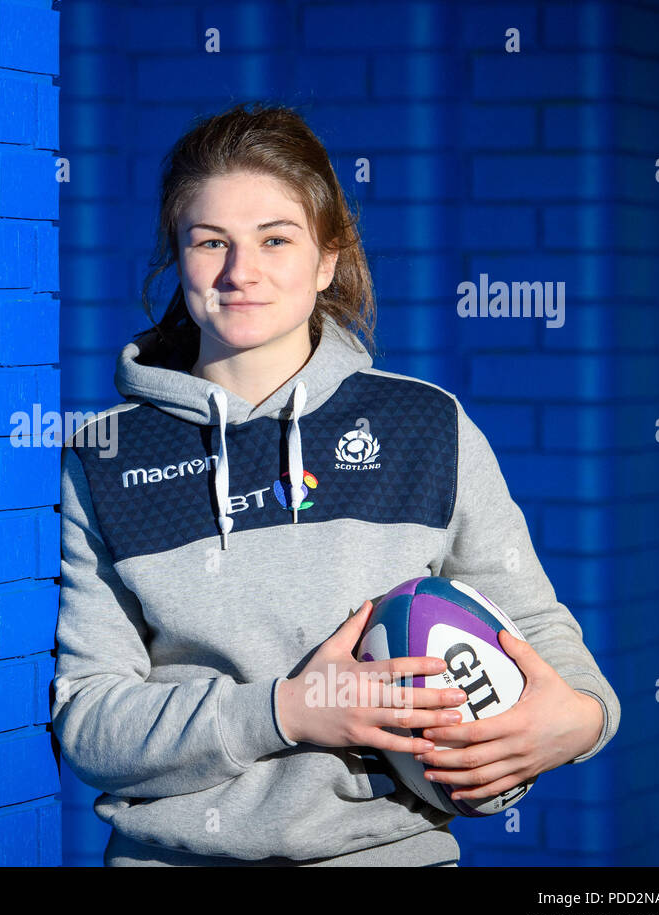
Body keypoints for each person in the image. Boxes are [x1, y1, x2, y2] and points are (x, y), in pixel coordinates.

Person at [50, 102, 620, 867]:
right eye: (209, 241)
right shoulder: (108, 455)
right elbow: (89, 724)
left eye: (274, 240)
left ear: (327, 260)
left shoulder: (427, 426)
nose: (239, 272)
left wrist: (578, 722)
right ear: (177, 258)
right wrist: (290, 710)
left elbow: (543, 637)